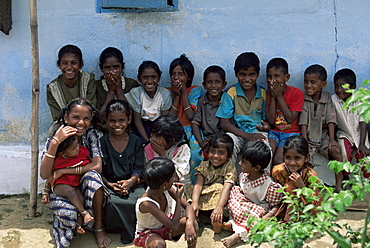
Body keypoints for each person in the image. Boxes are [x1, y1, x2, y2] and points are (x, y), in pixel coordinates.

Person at [40, 98, 111, 248]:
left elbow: (97, 166)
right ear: (66, 118)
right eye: (76, 117)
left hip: (82, 187)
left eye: (86, 118)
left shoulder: (90, 135)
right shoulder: (55, 136)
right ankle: (72, 228)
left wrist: (64, 170)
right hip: (62, 189)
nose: (81, 123)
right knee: (70, 215)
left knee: (94, 177)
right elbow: (45, 175)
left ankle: (98, 226)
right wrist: (54, 143)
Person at [100, 99, 146, 244]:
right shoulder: (102, 142)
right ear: (107, 121)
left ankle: (133, 228)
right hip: (110, 186)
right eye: (112, 121)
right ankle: (125, 229)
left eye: (121, 120)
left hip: (133, 185)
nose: (117, 125)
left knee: (141, 201)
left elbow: (139, 167)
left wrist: (130, 182)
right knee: (112, 203)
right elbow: (99, 171)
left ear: (129, 119)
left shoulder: (136, 141)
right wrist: (111, 185)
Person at [221, 141, 283, 247]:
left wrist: (269, 215)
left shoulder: (268, 185)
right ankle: (233, 223)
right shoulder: (244, 176)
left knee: (256, 221)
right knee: (234, 191)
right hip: (244, 206)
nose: (240, 163)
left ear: (257, 168)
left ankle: (238, 235)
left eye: (244, 162)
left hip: (258, 210)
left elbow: (277, 204)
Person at [216, 52, 270, 166]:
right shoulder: (231, 92)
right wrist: (247, 136)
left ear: (258, 74)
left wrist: (266, 127)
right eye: (242, 74)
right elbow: (225, 123)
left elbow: (266, 119)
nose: (247, 79)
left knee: (265, 148)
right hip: (236, 131)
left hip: (256, 131)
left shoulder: (263, 93)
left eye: (251, 74)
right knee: (228, 143)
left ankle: (263, 179)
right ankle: (229, 179)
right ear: (236, 74)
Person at [134, 157, 198, 248]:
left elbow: (189, 207)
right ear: (164, 184)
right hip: (148, 233)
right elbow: (174, 226)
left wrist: (189, 224)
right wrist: (178, 199)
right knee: (159, 245)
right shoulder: (146, 203)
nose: (175, 179)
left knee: (192, 223)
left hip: (165, 226)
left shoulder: (168, 189)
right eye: (173, 178)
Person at [299, 64, 343, 192]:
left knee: (337, 152)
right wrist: (304, 141)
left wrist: (332, 140)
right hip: (308, 136)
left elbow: (331, 119)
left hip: (323, 136)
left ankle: (338, 185)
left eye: (313, 82)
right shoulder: (304, 98)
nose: (308, 86)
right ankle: (307, 187)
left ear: (323, 84)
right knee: (305, 158)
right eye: (306, 82)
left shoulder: (327, 97)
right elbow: (303, 122)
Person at [41, 134, 92, 234]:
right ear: (63, 152)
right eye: (73, 148)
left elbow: (91, 164)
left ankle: (78, 225)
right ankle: (84, 213)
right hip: (59, 185)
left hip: (75, 184)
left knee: (81, 198)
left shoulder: (82, 152)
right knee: (70, 192)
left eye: (77, 145)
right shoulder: (58, 160)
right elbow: (50, 178)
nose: (77, 148)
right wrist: (46, 193)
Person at [188, 133, 236, 234]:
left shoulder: (230, 168)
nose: (215, 156)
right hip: (204, 195)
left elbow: (227, 188)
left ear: (229, 156)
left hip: (220, 200)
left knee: (219, 188)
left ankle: (215, 220)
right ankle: (196, 216)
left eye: (221, 153)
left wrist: (219, 207)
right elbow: (198, 185)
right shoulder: (204, 165)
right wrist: (195, 202)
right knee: (188, 189)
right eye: (212, 151)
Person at [168, 54, 203, 182]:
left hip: (191, 130)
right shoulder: (168, 92)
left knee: (195, 153)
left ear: (188, 77)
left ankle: (194, 184)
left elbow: (190, 116)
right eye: (173, 74)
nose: (177, 78)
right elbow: (170, 119)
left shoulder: (194, 90)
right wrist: (176, 96)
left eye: (181, 74)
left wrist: (183, 93)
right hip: (174, 130)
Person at [47, 45, 97, 133]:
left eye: (73, 63)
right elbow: (57, 116)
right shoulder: (53, 88)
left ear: (81, 64)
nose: (69, 67)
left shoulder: (88, 80)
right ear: (59, 65)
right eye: (65, 63)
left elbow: (92, 107)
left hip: (87, 123)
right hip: (65, 125)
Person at [272, 136, 321, 222]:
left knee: (291, 186)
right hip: (280, 212)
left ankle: (291, 222)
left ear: (306, 158)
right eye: (288, 158)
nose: (292, 162)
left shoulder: (311, 176)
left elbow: (315, 205)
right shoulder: (278, 171)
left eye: (297, 158)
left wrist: (302, 187)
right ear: (283, 156)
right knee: (290, 186)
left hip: (305, 213)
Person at [331, 69, 370, 178]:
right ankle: (345, 177)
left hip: (360, 134)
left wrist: (361, 143)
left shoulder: (360, 99)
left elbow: (363, 123)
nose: (339, 90)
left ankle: (367, 179)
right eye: (336, 86)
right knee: (344, 153)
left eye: (343, 86)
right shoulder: (333, 99)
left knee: (365, 156)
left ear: (353, 87)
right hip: (344, 134)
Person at [191, 65, 227, 181]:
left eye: (217, 82)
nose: (213, 86)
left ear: (224, 84)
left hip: (221, 136)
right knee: (195, 152)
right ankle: (196, 182)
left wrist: (215, 139)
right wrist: (201, 142)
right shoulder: (202, 101)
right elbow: (195, 123)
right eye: (210, 82)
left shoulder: (227, 100)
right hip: (205, 137)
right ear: (204, 85)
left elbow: (228, 125)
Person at [266, 58, 304, 166]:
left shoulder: (296, 93)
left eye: (277, 76)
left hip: (291, 133)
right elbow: (271, 121)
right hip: (274, 132)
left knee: (278, 159)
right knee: (267, 152)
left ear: (286, 78)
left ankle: (280, 181)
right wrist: (273, 97)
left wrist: (278, 96)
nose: (272, 80)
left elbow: (290, 119)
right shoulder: (268, 94)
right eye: (269, 77)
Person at [125, 61, 172, 142]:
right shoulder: (136, 93)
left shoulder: (165, 94)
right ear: (139, 78)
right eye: (145, 77)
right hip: (141, 127)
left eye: (153, 77)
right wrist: (147, 140)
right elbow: (137, 121)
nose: (150, 81)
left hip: (159, 127)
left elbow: (163, 120)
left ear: (159, 78)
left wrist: (156, 138)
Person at [96, 47, 139, 126]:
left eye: (116, 67)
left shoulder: (131, 84)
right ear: (101, 68)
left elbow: (131, 117)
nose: (112, 71)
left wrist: (119, 90)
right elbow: (101, 119)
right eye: (107, 68)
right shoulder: (96, 86)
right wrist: (111, 92)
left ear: (122, 67)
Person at [144, 115, 191, 186]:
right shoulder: (148, 149)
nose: (152, 138)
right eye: (152, 133)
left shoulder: (182, 148)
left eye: (157, 136)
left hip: (178, 186)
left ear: (171, 140)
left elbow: (175, 178)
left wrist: (162, 155)